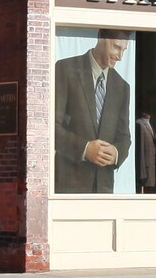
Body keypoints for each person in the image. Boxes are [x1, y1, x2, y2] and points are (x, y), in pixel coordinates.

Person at [54, 31, 132, 193]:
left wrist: (116, 153)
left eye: (124, 50)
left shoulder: (122, 87)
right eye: (117, 47)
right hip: (68, 187)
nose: (120, 57)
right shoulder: (65, 69)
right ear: (101, 39)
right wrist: (84, 149)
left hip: (104, 189)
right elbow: (50, 128)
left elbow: (124, 137)